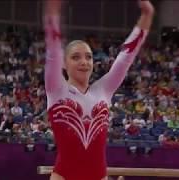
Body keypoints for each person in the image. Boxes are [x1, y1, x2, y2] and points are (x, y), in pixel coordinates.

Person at [43, 0, 154, 180]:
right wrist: (53, 13)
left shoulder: (103, 90)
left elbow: (126, 57)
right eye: (75, 57)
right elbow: (53, 50)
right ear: (64, 63)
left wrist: (147, 15)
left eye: (88, 57)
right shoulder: (56, 90)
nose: (84, 62)